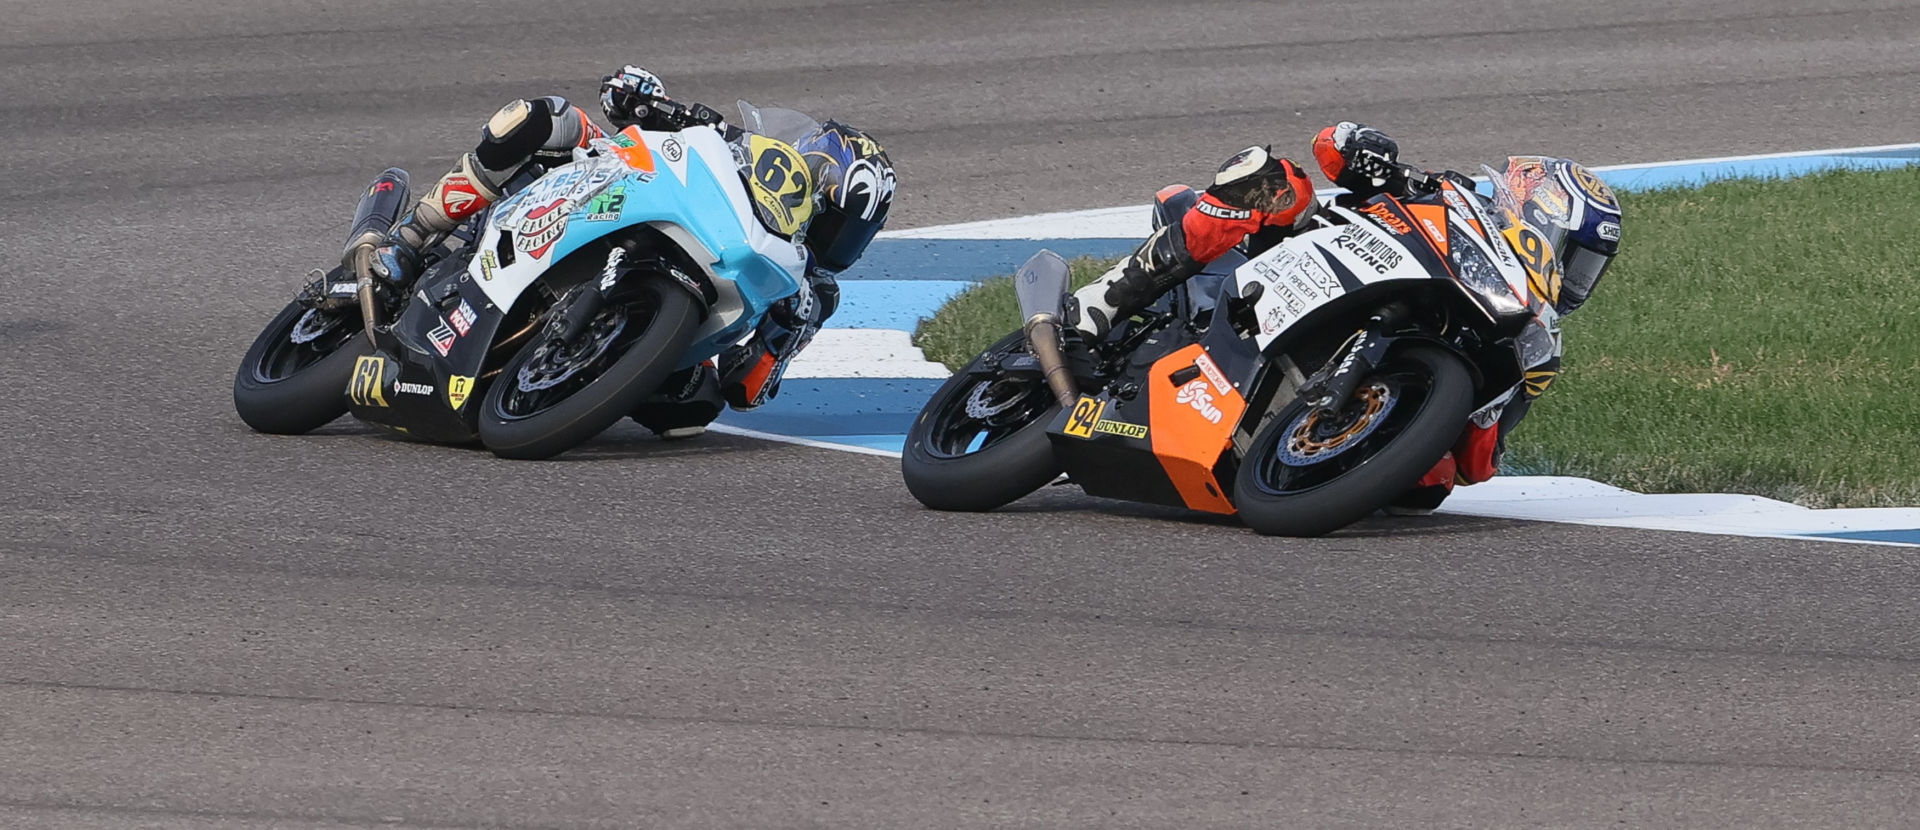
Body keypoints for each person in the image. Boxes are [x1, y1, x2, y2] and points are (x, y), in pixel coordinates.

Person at [1064, 123, 1622, 513]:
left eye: (1586, 269)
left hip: (1371, 376)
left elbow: (1481, 462)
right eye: (1574, 256)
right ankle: (1096, 307)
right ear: (1536, 213)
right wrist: (1365, 151)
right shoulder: (1447, 194)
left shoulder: (1536, 334)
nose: (1575, 279)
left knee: (1429, 488)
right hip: (1298, 260)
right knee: (1275, 181)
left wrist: (1491, 405)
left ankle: (1304, 445)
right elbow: (1331, 146)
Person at [341, 65, 896, 436]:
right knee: (547, 117)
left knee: (693, 412)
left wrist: (764, 356)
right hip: (611, 192)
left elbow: (746, 389)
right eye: (836, 220)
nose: (835, 242)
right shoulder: (733, 146)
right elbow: (626, 101)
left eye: (852, 234)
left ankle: (579, 367)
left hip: (683, 318)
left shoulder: (810, 294)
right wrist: (641, 95)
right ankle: (413, 235)